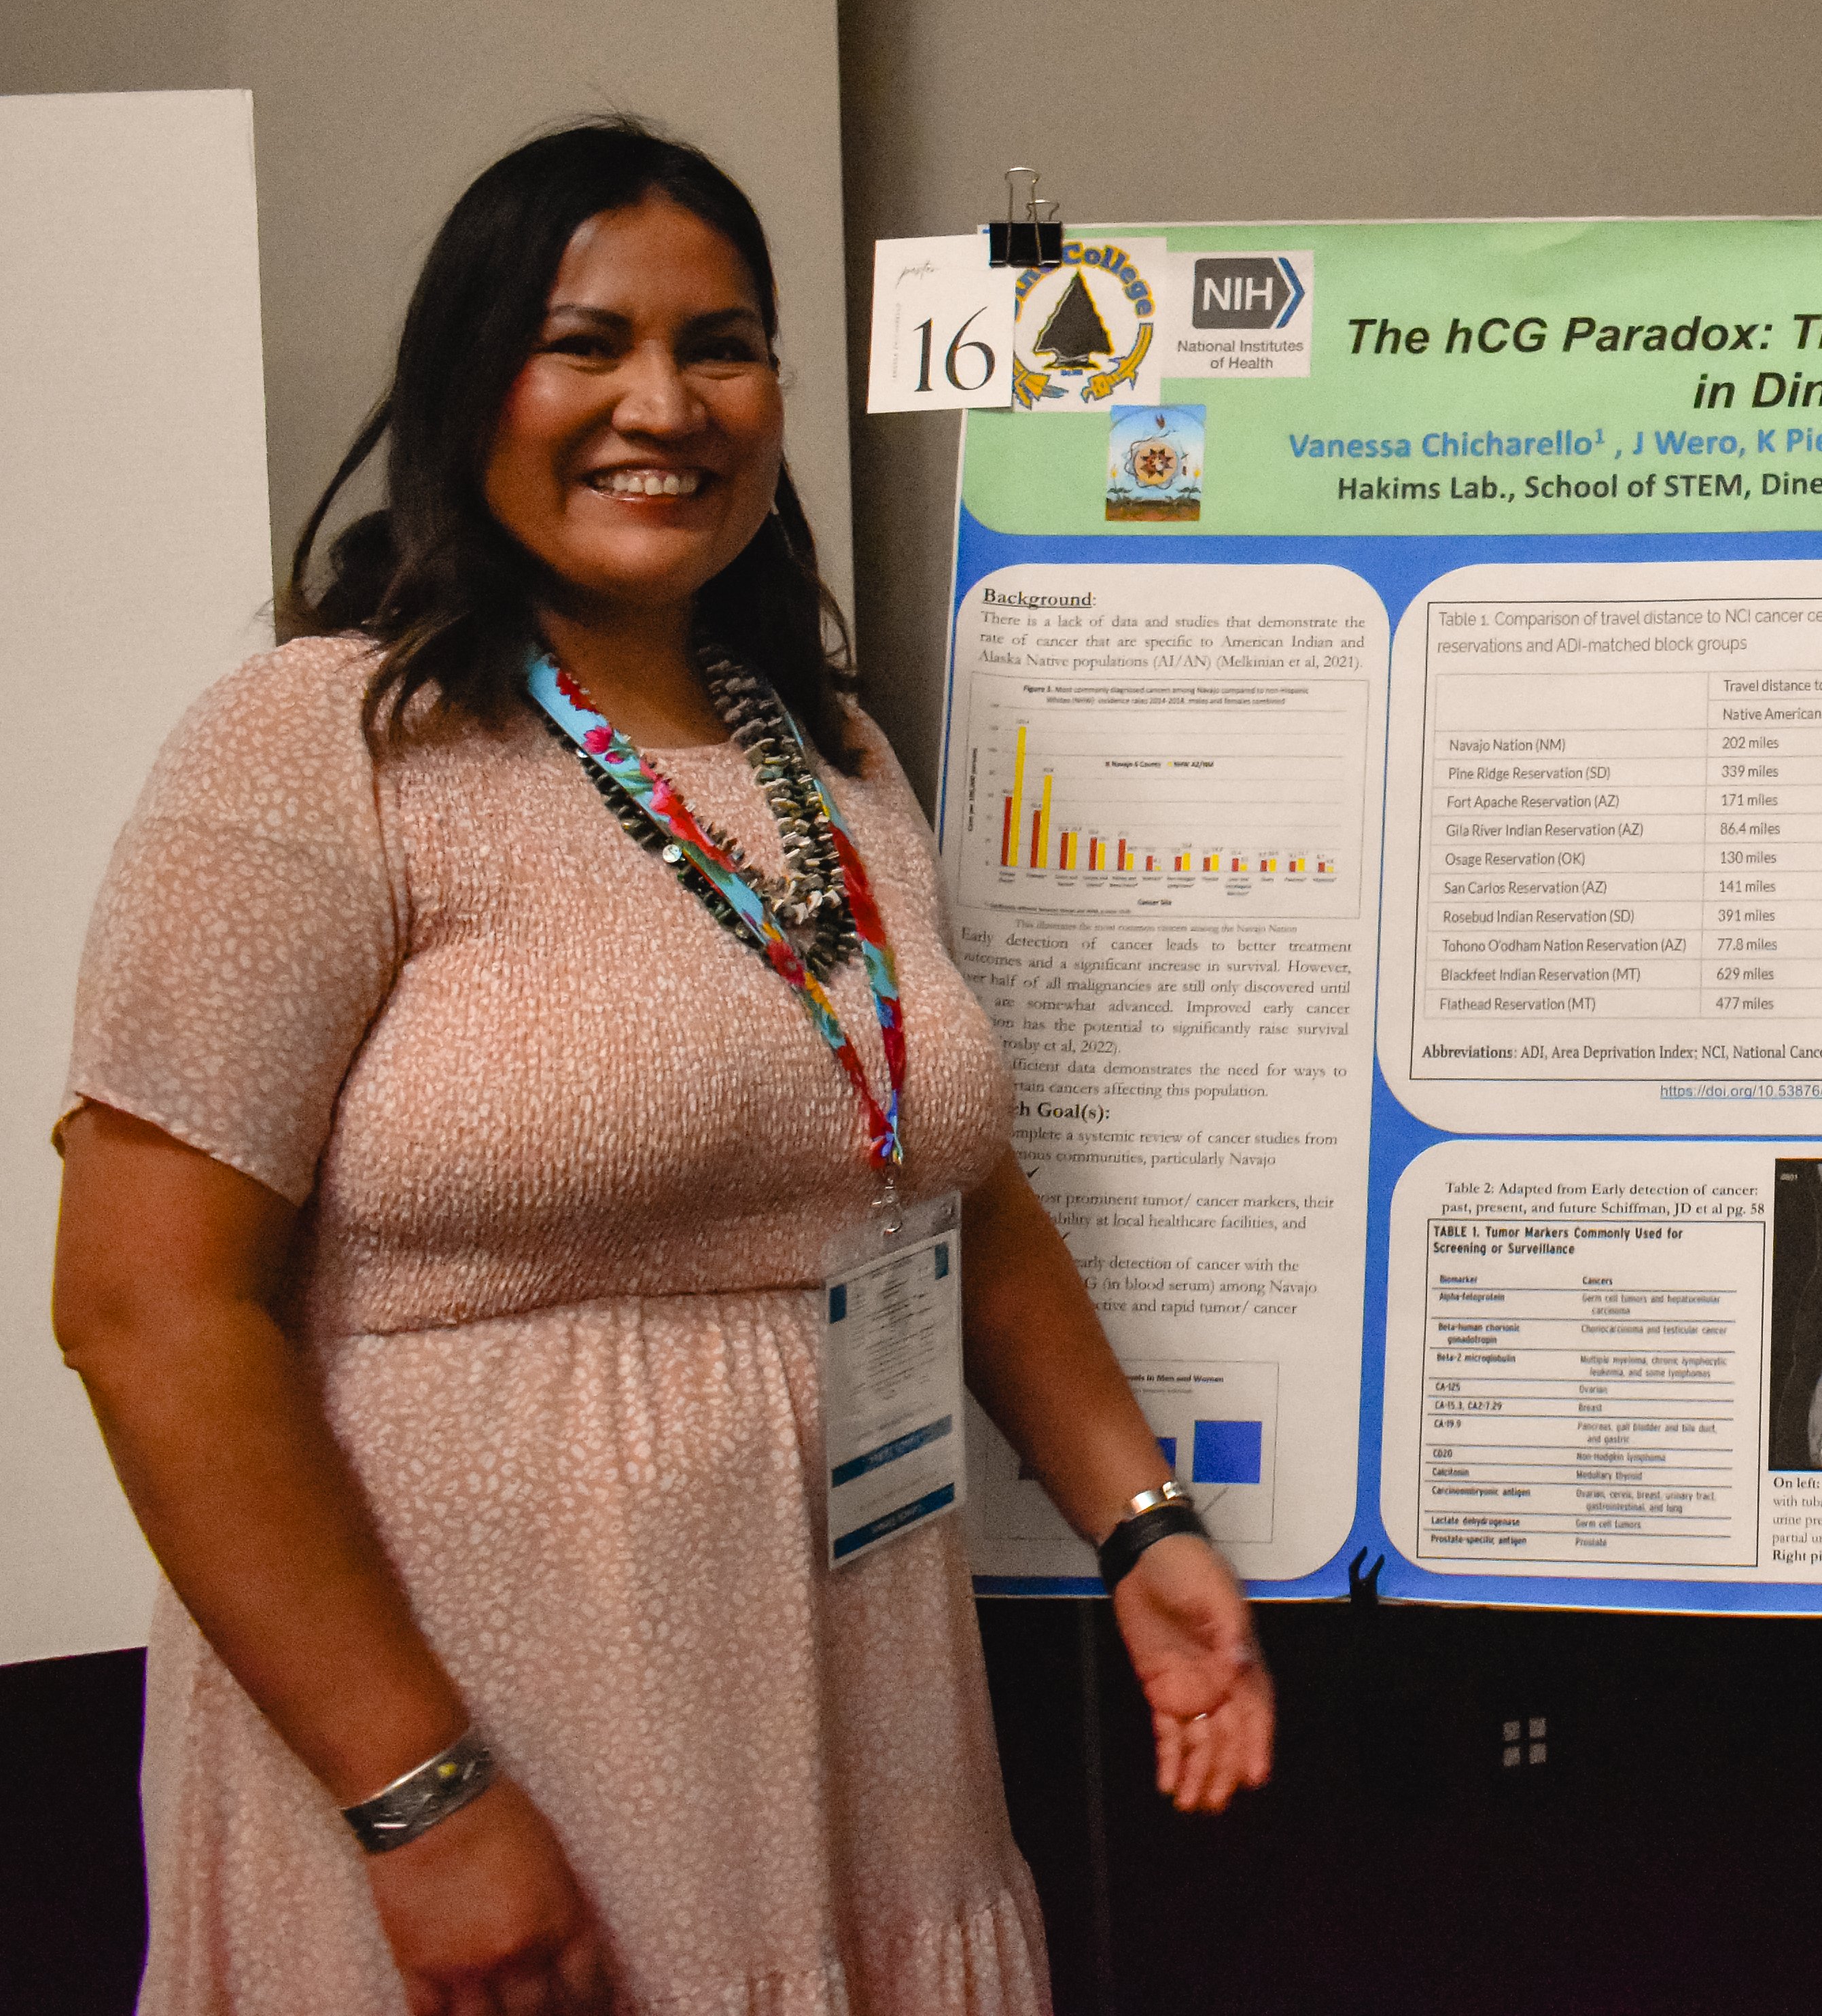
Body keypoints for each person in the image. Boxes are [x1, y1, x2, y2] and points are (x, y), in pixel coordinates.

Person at [51, 121, 1273, 2016]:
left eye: (719, 345)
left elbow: (934, 1172)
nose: (661, 402)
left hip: (853, 1708)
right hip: (481, 1727)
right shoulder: (317, 745)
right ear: (468, 382)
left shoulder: (826, 752)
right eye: (584, 342)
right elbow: (148, 1313)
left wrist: (1140, 1521)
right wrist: (420, 1800)